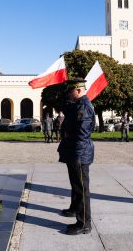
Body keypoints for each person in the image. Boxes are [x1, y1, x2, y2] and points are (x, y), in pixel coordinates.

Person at [58, 79, 95, 235]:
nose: (68, 94)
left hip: (79, 152)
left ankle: (84, 223)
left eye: (70, 91)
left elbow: (82, 134)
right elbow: (66, 109)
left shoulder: (84, 107)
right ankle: (75, 209)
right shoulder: (77, 105)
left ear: (79, 90)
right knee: (75, 185)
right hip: (74, 151)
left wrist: (68, 135)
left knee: (81, 189)